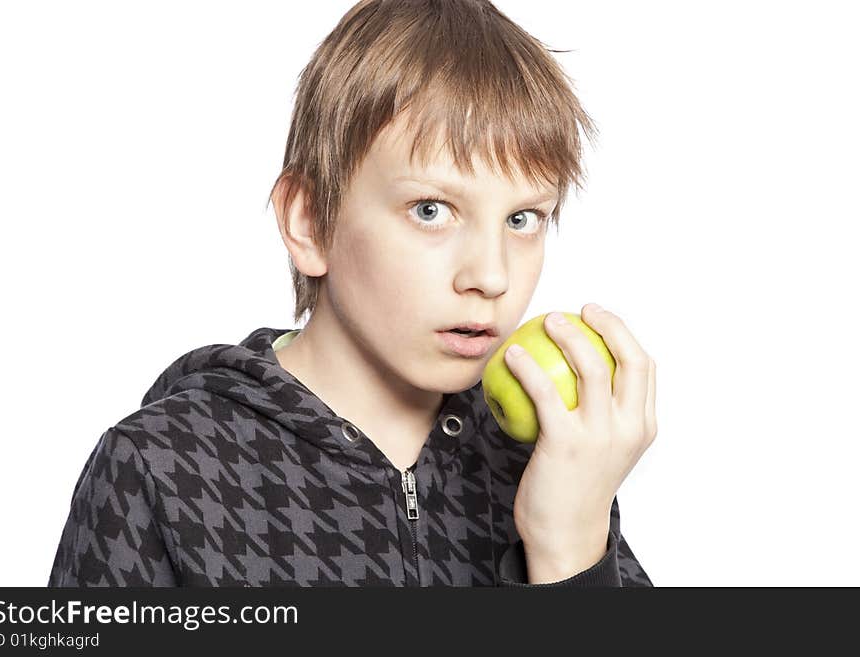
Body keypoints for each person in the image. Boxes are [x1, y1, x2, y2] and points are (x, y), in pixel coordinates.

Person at [48, 0, 656, 587]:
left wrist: (569, 549)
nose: (491, 277)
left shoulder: (554, 464)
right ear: (310, 222)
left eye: (523, 219)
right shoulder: (161, 470)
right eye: (431, 209)